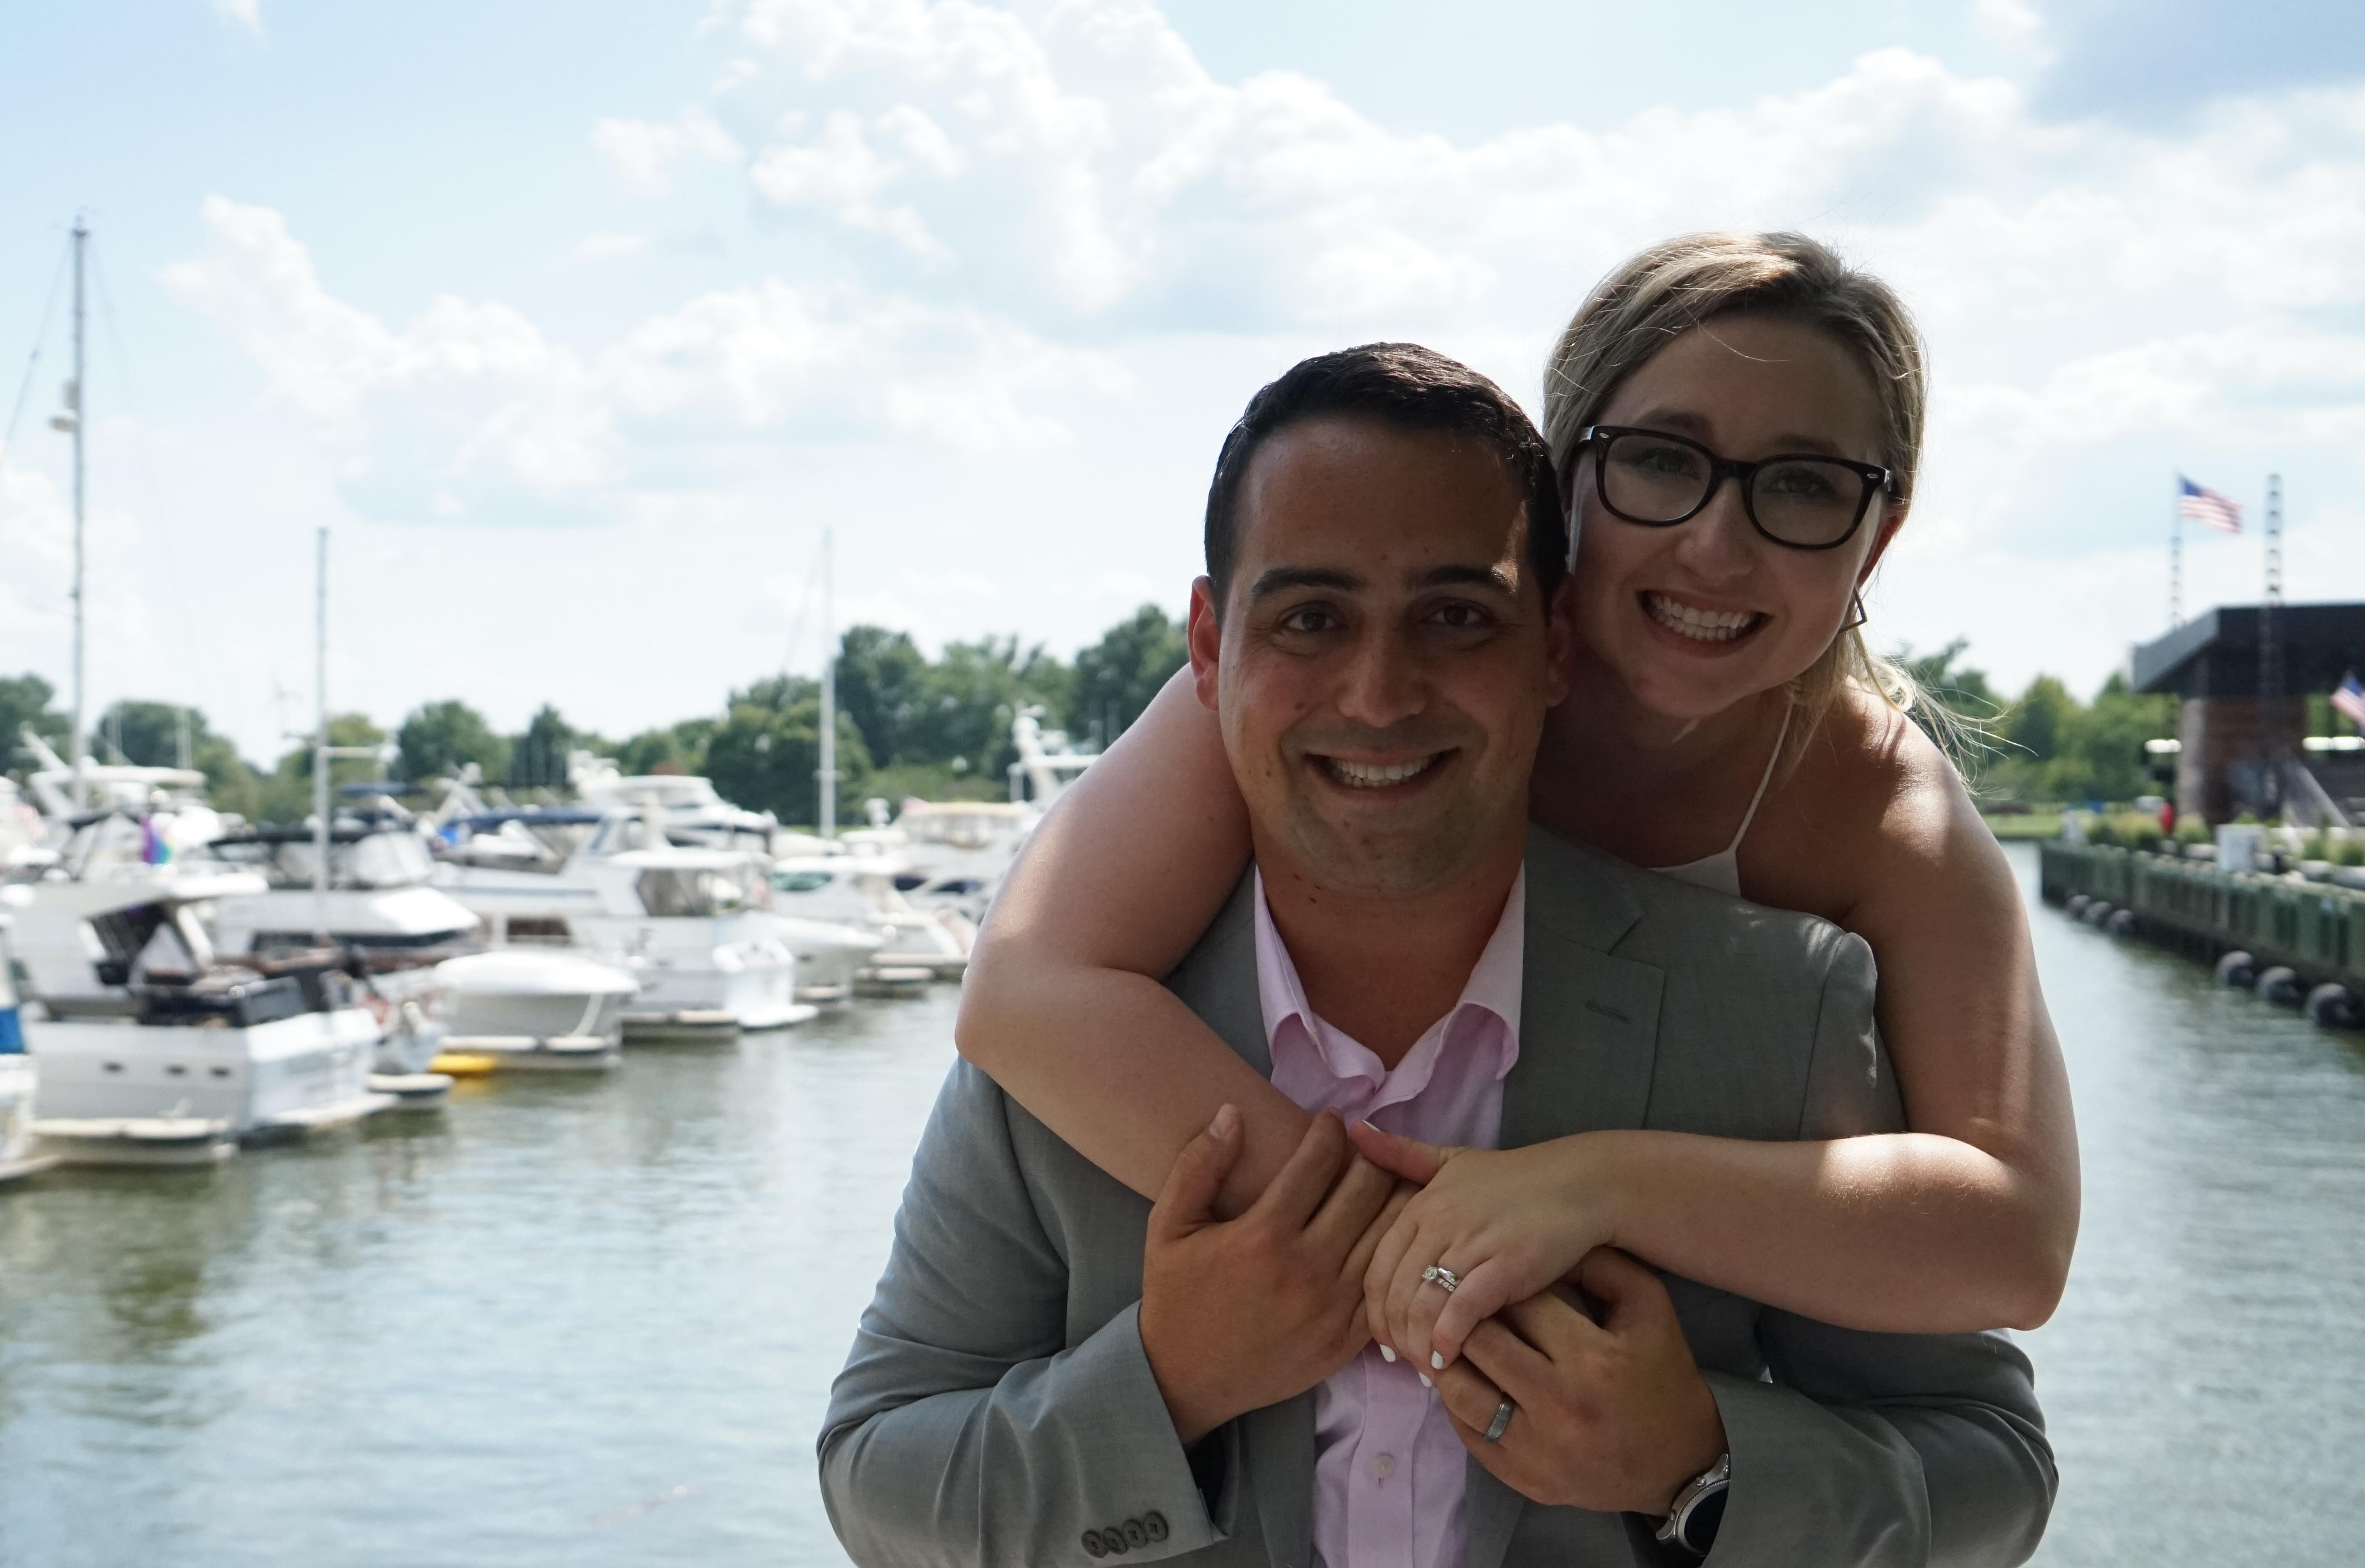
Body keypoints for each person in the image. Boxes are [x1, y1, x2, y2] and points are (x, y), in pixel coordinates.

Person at [821, 343, 2054, 1566]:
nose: (1378, 694)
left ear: (1555, 645)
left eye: (1457, 618)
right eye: (1310, 619)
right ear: (1208, 645)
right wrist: (1167, 1383)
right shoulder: (1068, 1043)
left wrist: (1700, 1470)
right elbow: (876, 1483)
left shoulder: (1778, 1014)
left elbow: (1995, 1475)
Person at [956, 232, 2078, 1375]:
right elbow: (1024, 992)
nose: (1715, 544)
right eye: (1661, 461)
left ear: (1877, 538)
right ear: (1561, 477)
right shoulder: (1341, 691)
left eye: (1802, 485)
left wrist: (1596, 1187)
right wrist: (1406, 1260)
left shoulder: (1883, 812)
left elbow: (2017, 1239)